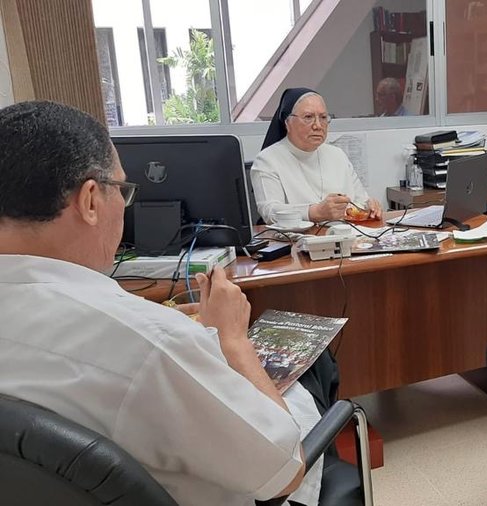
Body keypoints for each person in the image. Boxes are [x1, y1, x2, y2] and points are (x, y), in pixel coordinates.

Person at [0, 101, 340, 506]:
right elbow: (284, 470)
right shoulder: (152, 343)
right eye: (122, 191)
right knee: (313, 370)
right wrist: (233, 340)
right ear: (90, 200)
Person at [251, 87, 383, 224]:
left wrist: (369, 205)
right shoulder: (267, 160)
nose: (318, 126)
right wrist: (315, 212)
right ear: (287, 123)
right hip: (296, 237)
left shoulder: (337, 155)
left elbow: (361, 200)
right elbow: (269, 211)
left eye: (323, 117)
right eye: (308, 117)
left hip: (344, 233)